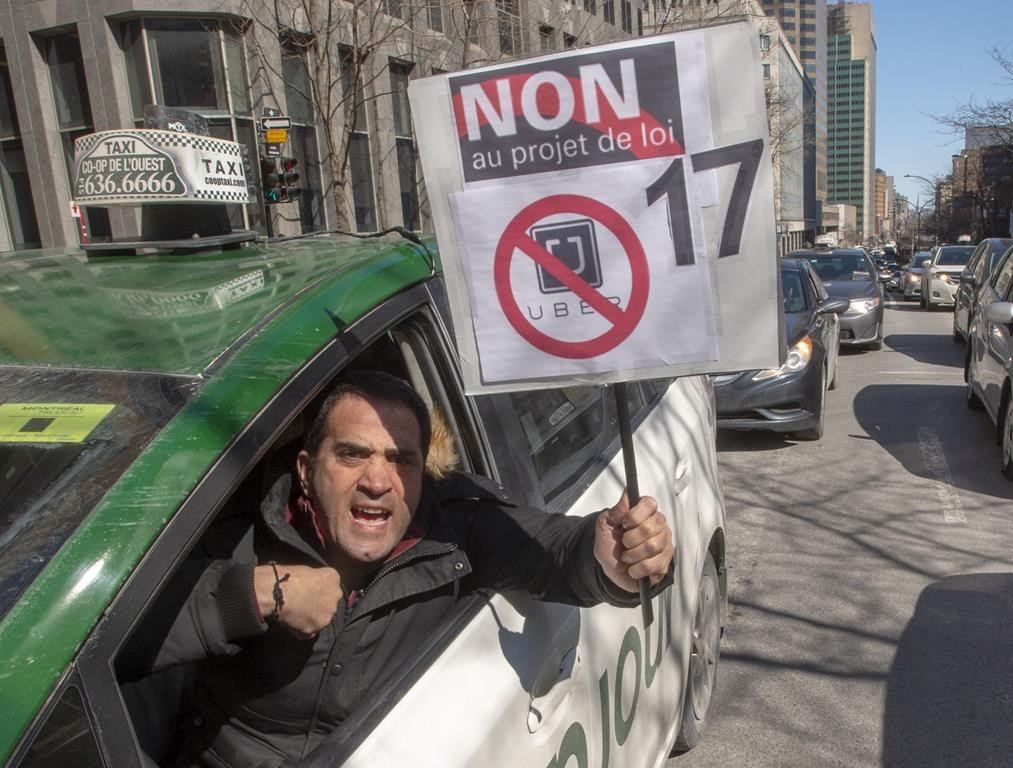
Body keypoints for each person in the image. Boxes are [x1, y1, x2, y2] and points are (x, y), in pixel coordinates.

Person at [131, 370, 674, 767]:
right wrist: (255, 595)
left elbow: (557, 548)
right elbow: (115, 638)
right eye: (352, 455)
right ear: (305, 468)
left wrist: (612, 557)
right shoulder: (240, 534)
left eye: (400, 460)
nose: (377, 480)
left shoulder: (454, 533)